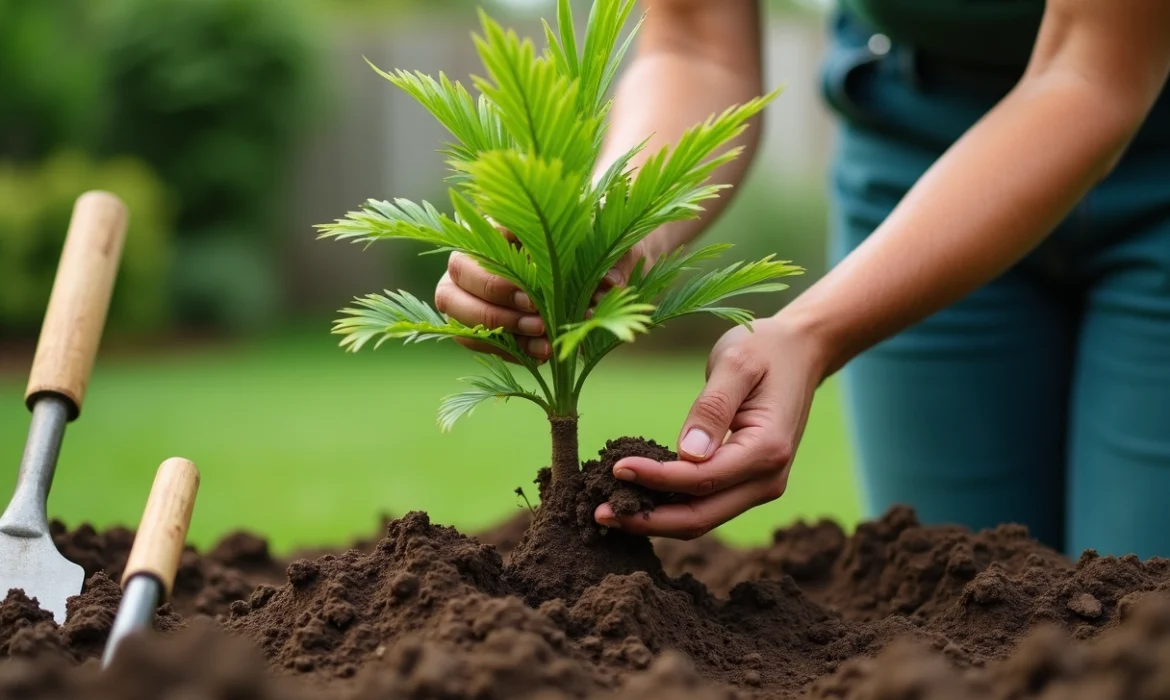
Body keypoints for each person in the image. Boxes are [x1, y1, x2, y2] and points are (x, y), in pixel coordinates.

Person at [434, 0, 1170, 558]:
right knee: (964, 596)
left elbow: (1092, 73)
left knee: (1140, 618)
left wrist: (811, 333)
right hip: (916, 154)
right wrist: (606, 229)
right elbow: (695, 45)